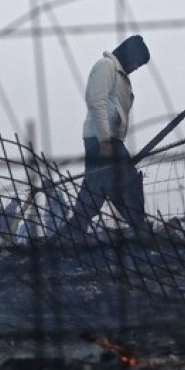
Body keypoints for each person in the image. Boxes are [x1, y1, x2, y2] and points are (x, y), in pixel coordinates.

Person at [56, 35, 152, 242]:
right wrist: (104, 140)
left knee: (97, 193)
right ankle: (142, 232)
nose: (136, 67)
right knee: (126, 185)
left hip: (111, 140)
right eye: (137, 61)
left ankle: (67, 238)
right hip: (102, 140)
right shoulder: (106, 66)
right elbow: (95, 101)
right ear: (129, 55)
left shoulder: (122, 77)